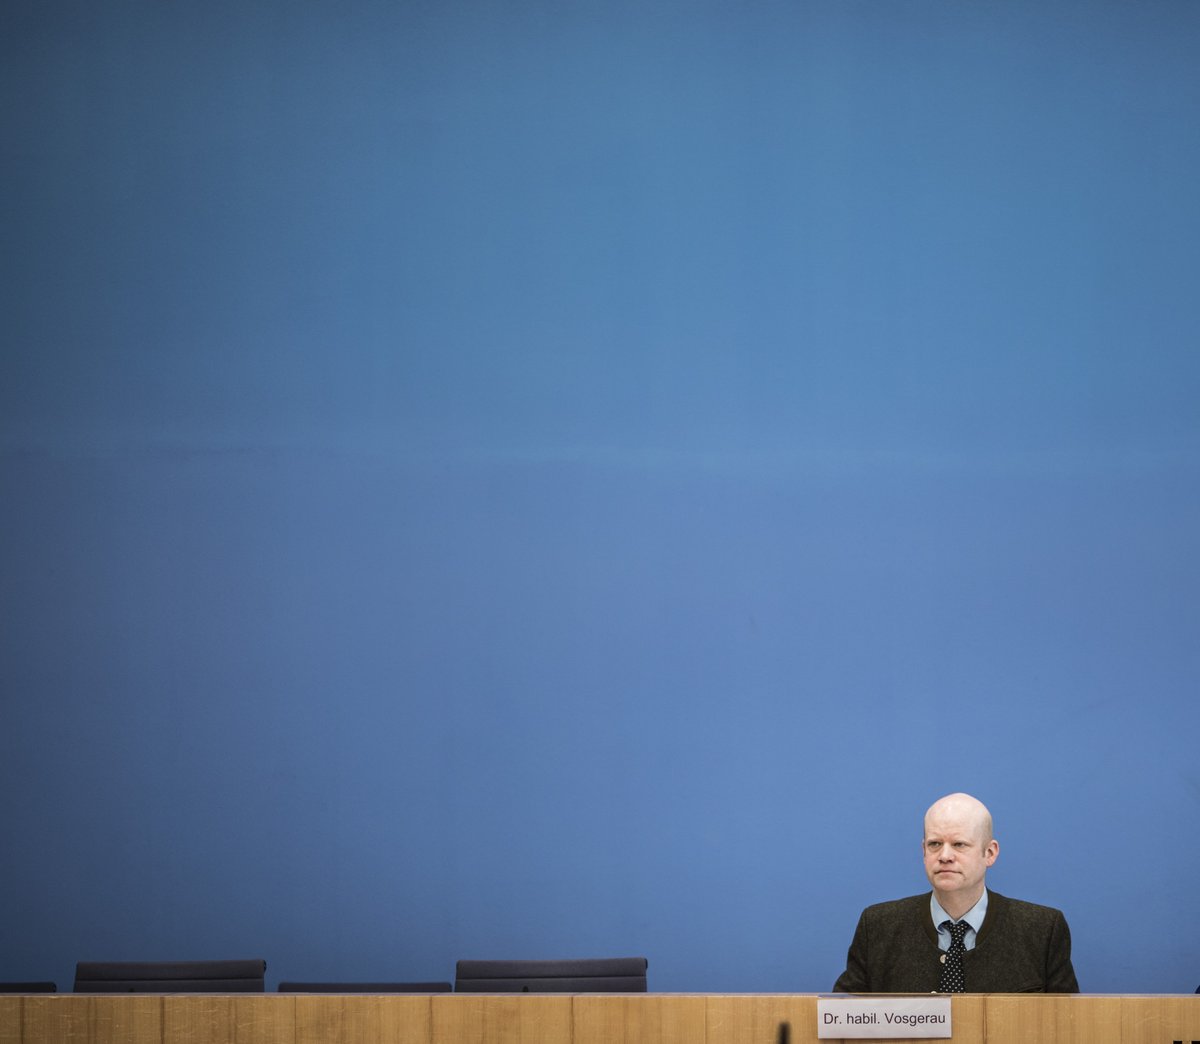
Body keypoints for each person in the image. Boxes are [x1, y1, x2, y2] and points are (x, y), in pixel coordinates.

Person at [832, 792, 1079, 993]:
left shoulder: (1042, 929)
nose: (945, 856)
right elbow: (839, 1022)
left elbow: (1068, 1027)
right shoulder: (878, 926)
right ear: (923, 851)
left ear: (990, 853)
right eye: (935, 844)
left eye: (959, 844)